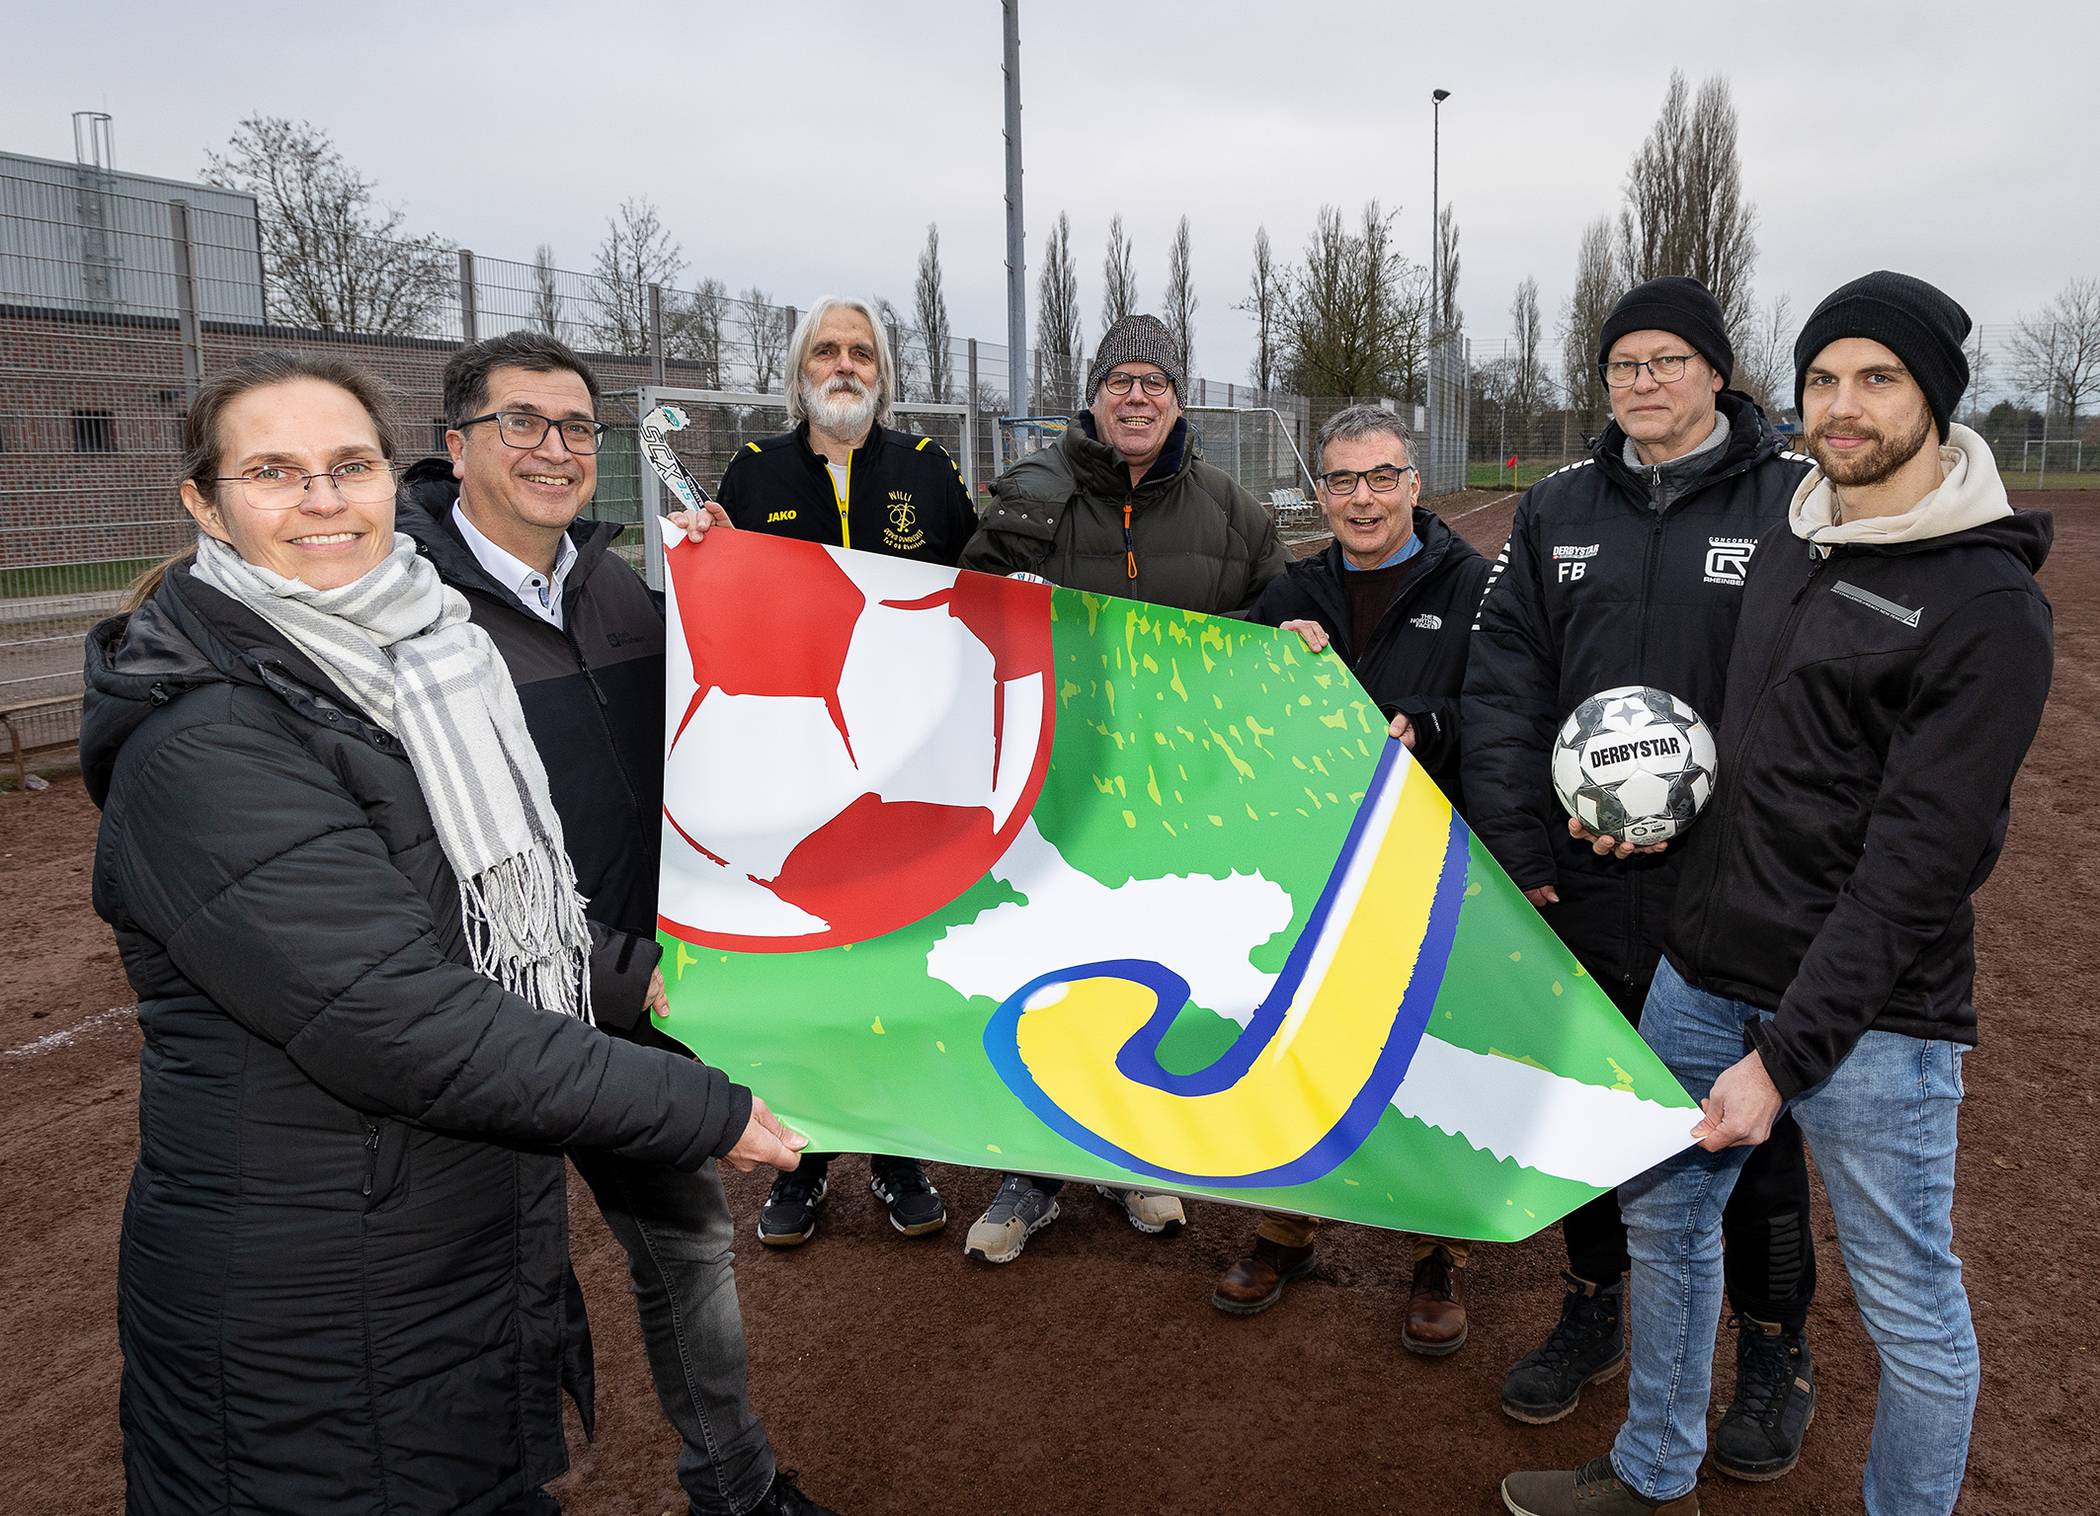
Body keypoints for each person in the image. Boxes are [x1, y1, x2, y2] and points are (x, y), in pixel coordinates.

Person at [83, 351, 814, 1515]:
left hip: (433, 1258)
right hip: (311, 1314)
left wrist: (637, 976)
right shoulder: (208, 737)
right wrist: (703, 1107)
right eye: (274, 472)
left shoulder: (417, 656)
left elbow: (478, 910)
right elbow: (398, 1016)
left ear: (390, 475)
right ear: (205, 504)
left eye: (348, 465)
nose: (323, 499)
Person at [1502, 275, 2053, 1515]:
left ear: (1935, 399)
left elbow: (1917, 872)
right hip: (1703, 970)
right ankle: (1652, 1471)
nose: (1843, 406)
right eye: (1822, 379)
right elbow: (1756, 760)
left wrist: (1783, 1059)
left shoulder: (1988, 604)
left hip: (1869, 1018)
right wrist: (1650, 822)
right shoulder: (1802, 538)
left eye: (1878, 379)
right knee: (1665, 1227)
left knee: (1910, 1307)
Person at [394, 332, 837, 1516]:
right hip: (489, 1015)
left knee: (687, 1249)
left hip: (638, 991)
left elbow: (727, 717)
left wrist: (732, 590)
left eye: (577, 427)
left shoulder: (615, 585)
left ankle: (733, 1484)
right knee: (488, 1278)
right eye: (521, 422)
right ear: (456, 445)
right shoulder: (401, 608)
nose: (555, 448)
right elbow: (422, 870)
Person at [1464, 276, 1821, 1466]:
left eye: (1669, 359)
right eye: (1625, 364)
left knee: (1747, 1122)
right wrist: (1524, 844)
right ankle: (1594, 1306)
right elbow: (1504, 681)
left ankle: (1772, 1344)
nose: (1645, 381)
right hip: (1583, 874)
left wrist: (1718, 832)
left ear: (1717, 371)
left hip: (1734, 886)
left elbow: (1816, 697)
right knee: (1597, 1101)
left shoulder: (1793, 501)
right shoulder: (1556, 508)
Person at [957, 312, 1289, 1264]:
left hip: (1178, 798)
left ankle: (1131, 1152)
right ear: (1094, 397)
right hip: (1055, 795)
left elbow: (1276, 632)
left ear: (1178, 399)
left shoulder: (1234, 511)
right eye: (1119, 381)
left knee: (1152, 973)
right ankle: (1030, 1173)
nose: (1136, 397)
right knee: (1041, 972)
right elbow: (968, 620)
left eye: (1154, 381)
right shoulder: (1029, 495)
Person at [1213, 403, 1489, 1354]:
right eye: (1341, 480)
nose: (1362, 498)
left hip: (1433, 855)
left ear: (1414, 484)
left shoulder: (1474, 586)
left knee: (1431, 1051)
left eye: (1380, 477)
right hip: (1316, 856)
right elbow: (1231, 699)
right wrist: (1264, 658)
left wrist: (1432, 723)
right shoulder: (1290, 591)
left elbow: (1509, 704)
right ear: (1320, 493)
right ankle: (1286, 1225)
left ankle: (1437, 1249)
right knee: (1299, 1037)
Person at [712, 298, 970, 1247]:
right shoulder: (753, 474)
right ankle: (805, 1157)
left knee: (896, 958)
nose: (845, 364)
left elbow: (979, 591)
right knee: (806, 964)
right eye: (827, 349)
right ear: (800, 372)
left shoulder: (928, 470)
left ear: (884, 374)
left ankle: (898, 1152)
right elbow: (718, 603)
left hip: (907, 763)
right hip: (791, 764)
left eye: (862, 351)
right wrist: (700, 546)